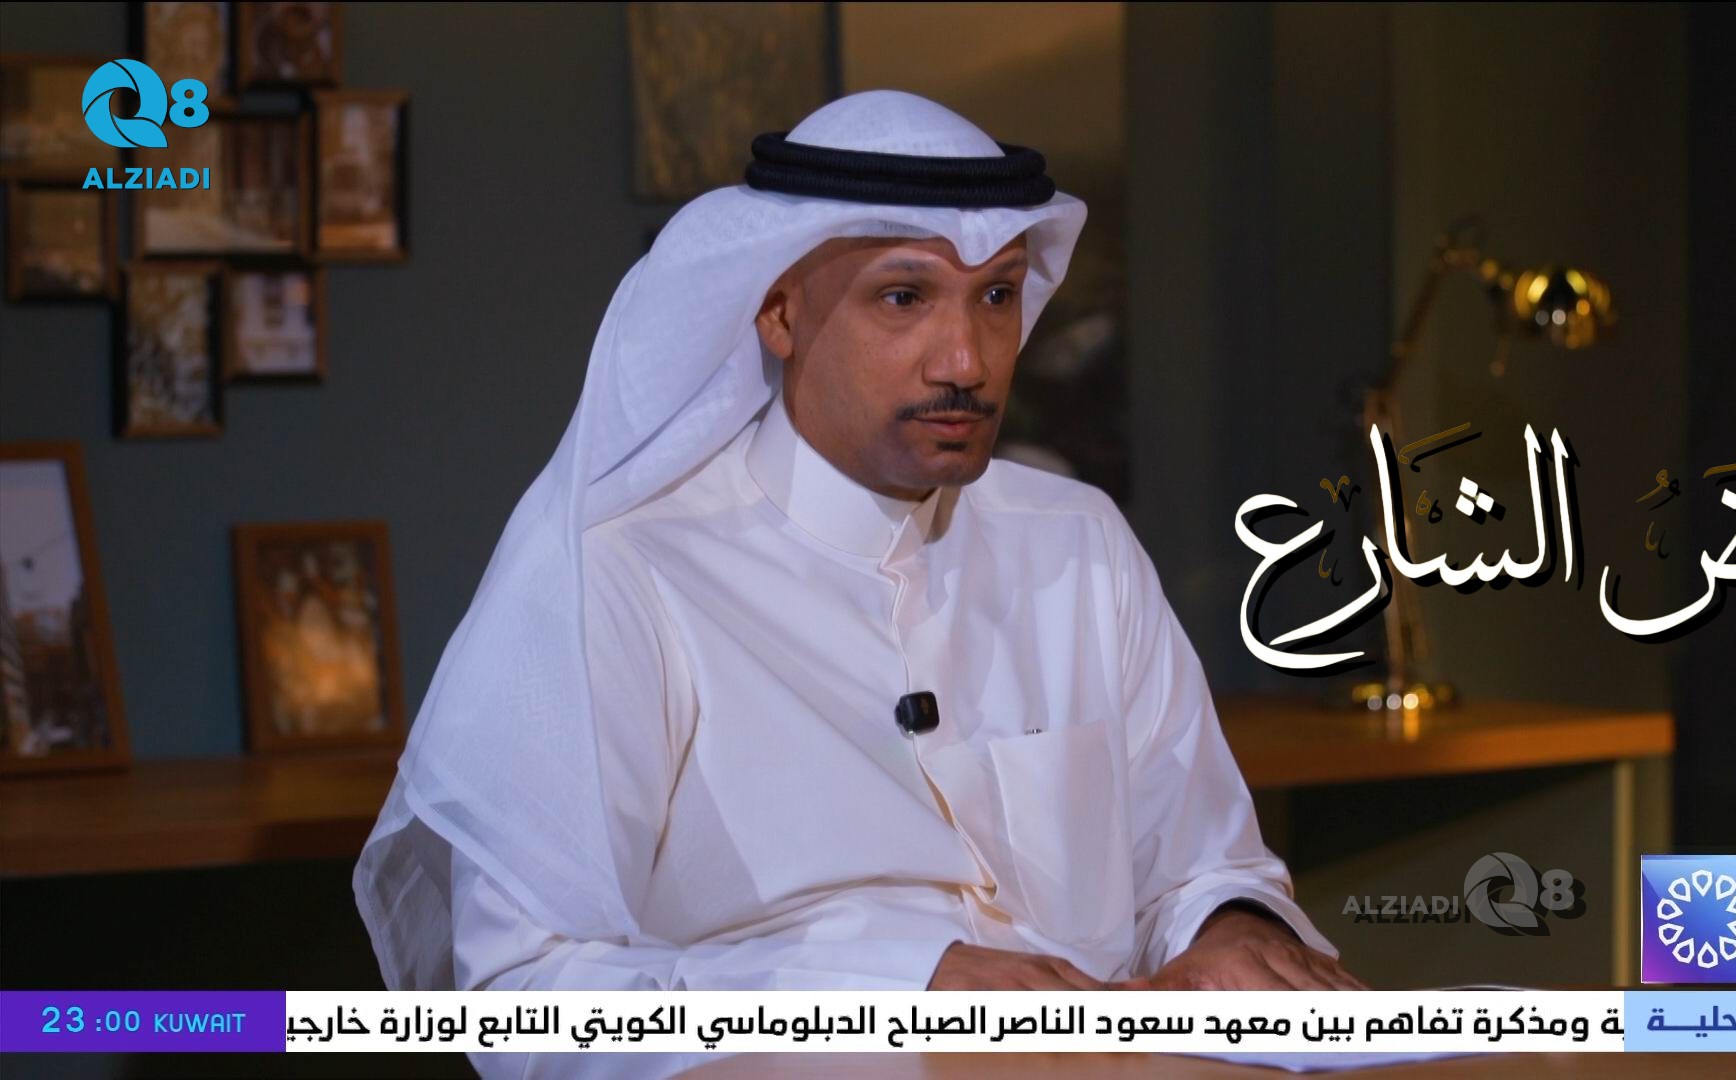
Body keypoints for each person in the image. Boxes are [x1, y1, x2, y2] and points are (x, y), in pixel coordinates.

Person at [354, 89, 1360, 1078]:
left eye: (997, 297)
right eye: (903, 297)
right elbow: (527, 999)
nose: (967, 361)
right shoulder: (623, 576)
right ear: (779, 310)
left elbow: (1199, 867)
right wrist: (903, 988)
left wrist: (1234, 929)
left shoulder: (1079, 542)